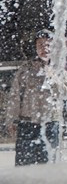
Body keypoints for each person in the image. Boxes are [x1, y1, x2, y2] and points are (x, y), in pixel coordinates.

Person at [4, 30, 60, 165]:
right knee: (24, 163)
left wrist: (54, 77)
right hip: (27, 122)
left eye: (48, 45)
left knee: (47, 163)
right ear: (35, 47)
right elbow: (15, 95)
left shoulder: (59, 69)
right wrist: (11, 119)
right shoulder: (26, 69)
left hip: (50, 122)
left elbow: (66, 93)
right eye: (40, 45)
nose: (44, 48)